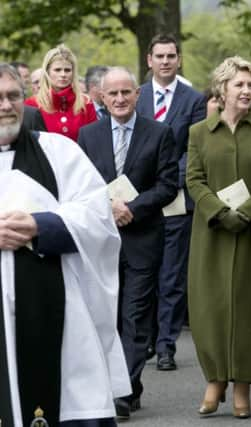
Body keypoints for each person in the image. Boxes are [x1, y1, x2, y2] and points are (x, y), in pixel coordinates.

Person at [0, 62, 130, 427]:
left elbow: (99, 216)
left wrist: (40, 225)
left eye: (12, 96)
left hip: (58, 312)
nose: (6, 105)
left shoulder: (58, 151)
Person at [78, 66, 179, 420]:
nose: (120, 99)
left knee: (134, 316)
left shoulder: (160, 133)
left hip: (142, 239)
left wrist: (132, 208)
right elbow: (81, 186)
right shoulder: (87, 136)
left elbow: (168, 185)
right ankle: (120, 385)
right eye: (113, 94)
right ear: (101, 98)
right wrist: (108, 208)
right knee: (105, 314)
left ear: (137, 94)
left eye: (126, 92)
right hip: (100, 240)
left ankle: (123, 390)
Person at [187, 56, 251, 420]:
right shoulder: (199, 132)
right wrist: (220, 212)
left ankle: (242, 385)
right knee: (210, 309)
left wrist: (246, 213)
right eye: (239, 85)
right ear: (222, 88)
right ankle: (215, 379)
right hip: (211, 233)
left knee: (250, 309)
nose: (246, 91)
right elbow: (194, 179)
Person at [136, 33, 207, 371]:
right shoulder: (136, 97)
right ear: (149, 60)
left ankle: (167, 345)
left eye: (171, 56)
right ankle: (145, 338)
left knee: (172, 275)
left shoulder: (193, 100)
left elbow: (193, 151)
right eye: (159, 56)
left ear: (179, 60)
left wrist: (167, 184)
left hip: (176, 197)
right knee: (143, 270)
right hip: (141, 200)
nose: (165, 61)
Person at [24, 45, 96, 141]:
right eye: (57, 70)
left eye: (67, 70)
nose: (63, 74)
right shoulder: (31, 104)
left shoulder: (86, 103)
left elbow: (93, 140)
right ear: (47, 72)